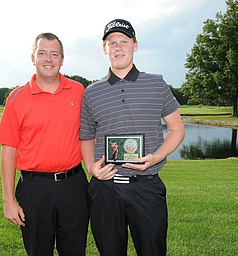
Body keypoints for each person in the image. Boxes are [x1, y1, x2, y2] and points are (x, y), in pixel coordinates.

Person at [80, 19, 185, 256]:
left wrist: (157, 156)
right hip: (105, 190)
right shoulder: (92, 92)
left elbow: (177, 129)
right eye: (112, 42)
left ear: (135, 45)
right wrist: (90, 167)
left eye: (124, 42)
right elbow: (86, 136)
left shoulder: (156, 83)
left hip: (146, 187)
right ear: (104, 48)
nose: (118, 47)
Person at [0, 32, 89, 256]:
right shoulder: (17, 97)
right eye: (42, 53)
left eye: (54, 54)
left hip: (73, 186)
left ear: (62, 59)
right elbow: (8, 150)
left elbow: (90, 135)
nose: (48, 59)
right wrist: (8, 200)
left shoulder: (79, 91)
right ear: (33, 57)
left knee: (75, 251)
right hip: (34, 189)